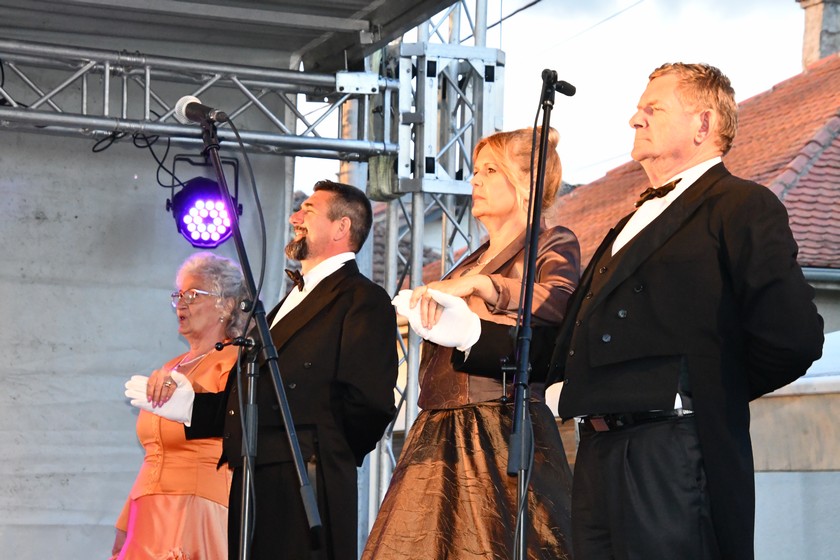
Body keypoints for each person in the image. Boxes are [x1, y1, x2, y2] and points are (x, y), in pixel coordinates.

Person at [465, 63, 825, 560]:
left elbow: (794, 337)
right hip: (599, 452)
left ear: (703, 124)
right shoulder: (630, 219)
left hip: (671, 452)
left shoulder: (742, 205)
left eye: (653, 109)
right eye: (638, 109)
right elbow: (579, 337)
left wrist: (696, 392)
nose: (635, 119)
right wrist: (471, 336)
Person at [131, 180, 399, 560]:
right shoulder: (286, 304)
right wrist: (191, 406)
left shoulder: (362, 299)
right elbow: (251, 398)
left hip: (306, 480)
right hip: (255, 480)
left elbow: (369, 403)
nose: (294, 218)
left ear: (342, 227)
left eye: (308, 210)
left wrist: (325, 454)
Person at [362, 127, 579, 559]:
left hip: (498, 423)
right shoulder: (471, 259)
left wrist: (485, 286)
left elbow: (559, 300)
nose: (475, 180)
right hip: (438, 423)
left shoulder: (552, 242)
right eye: (476, 170)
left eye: (490, 170)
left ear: (527, 183)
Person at [113, 252, 248, 559]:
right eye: (179, 295)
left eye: (193, 294)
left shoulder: (237, 361)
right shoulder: (171, 366)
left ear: (227, 304)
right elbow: (154, 453)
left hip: (196, 508)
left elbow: (237, 430)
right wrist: (125, 520)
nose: (181, 304)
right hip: (148, 512)